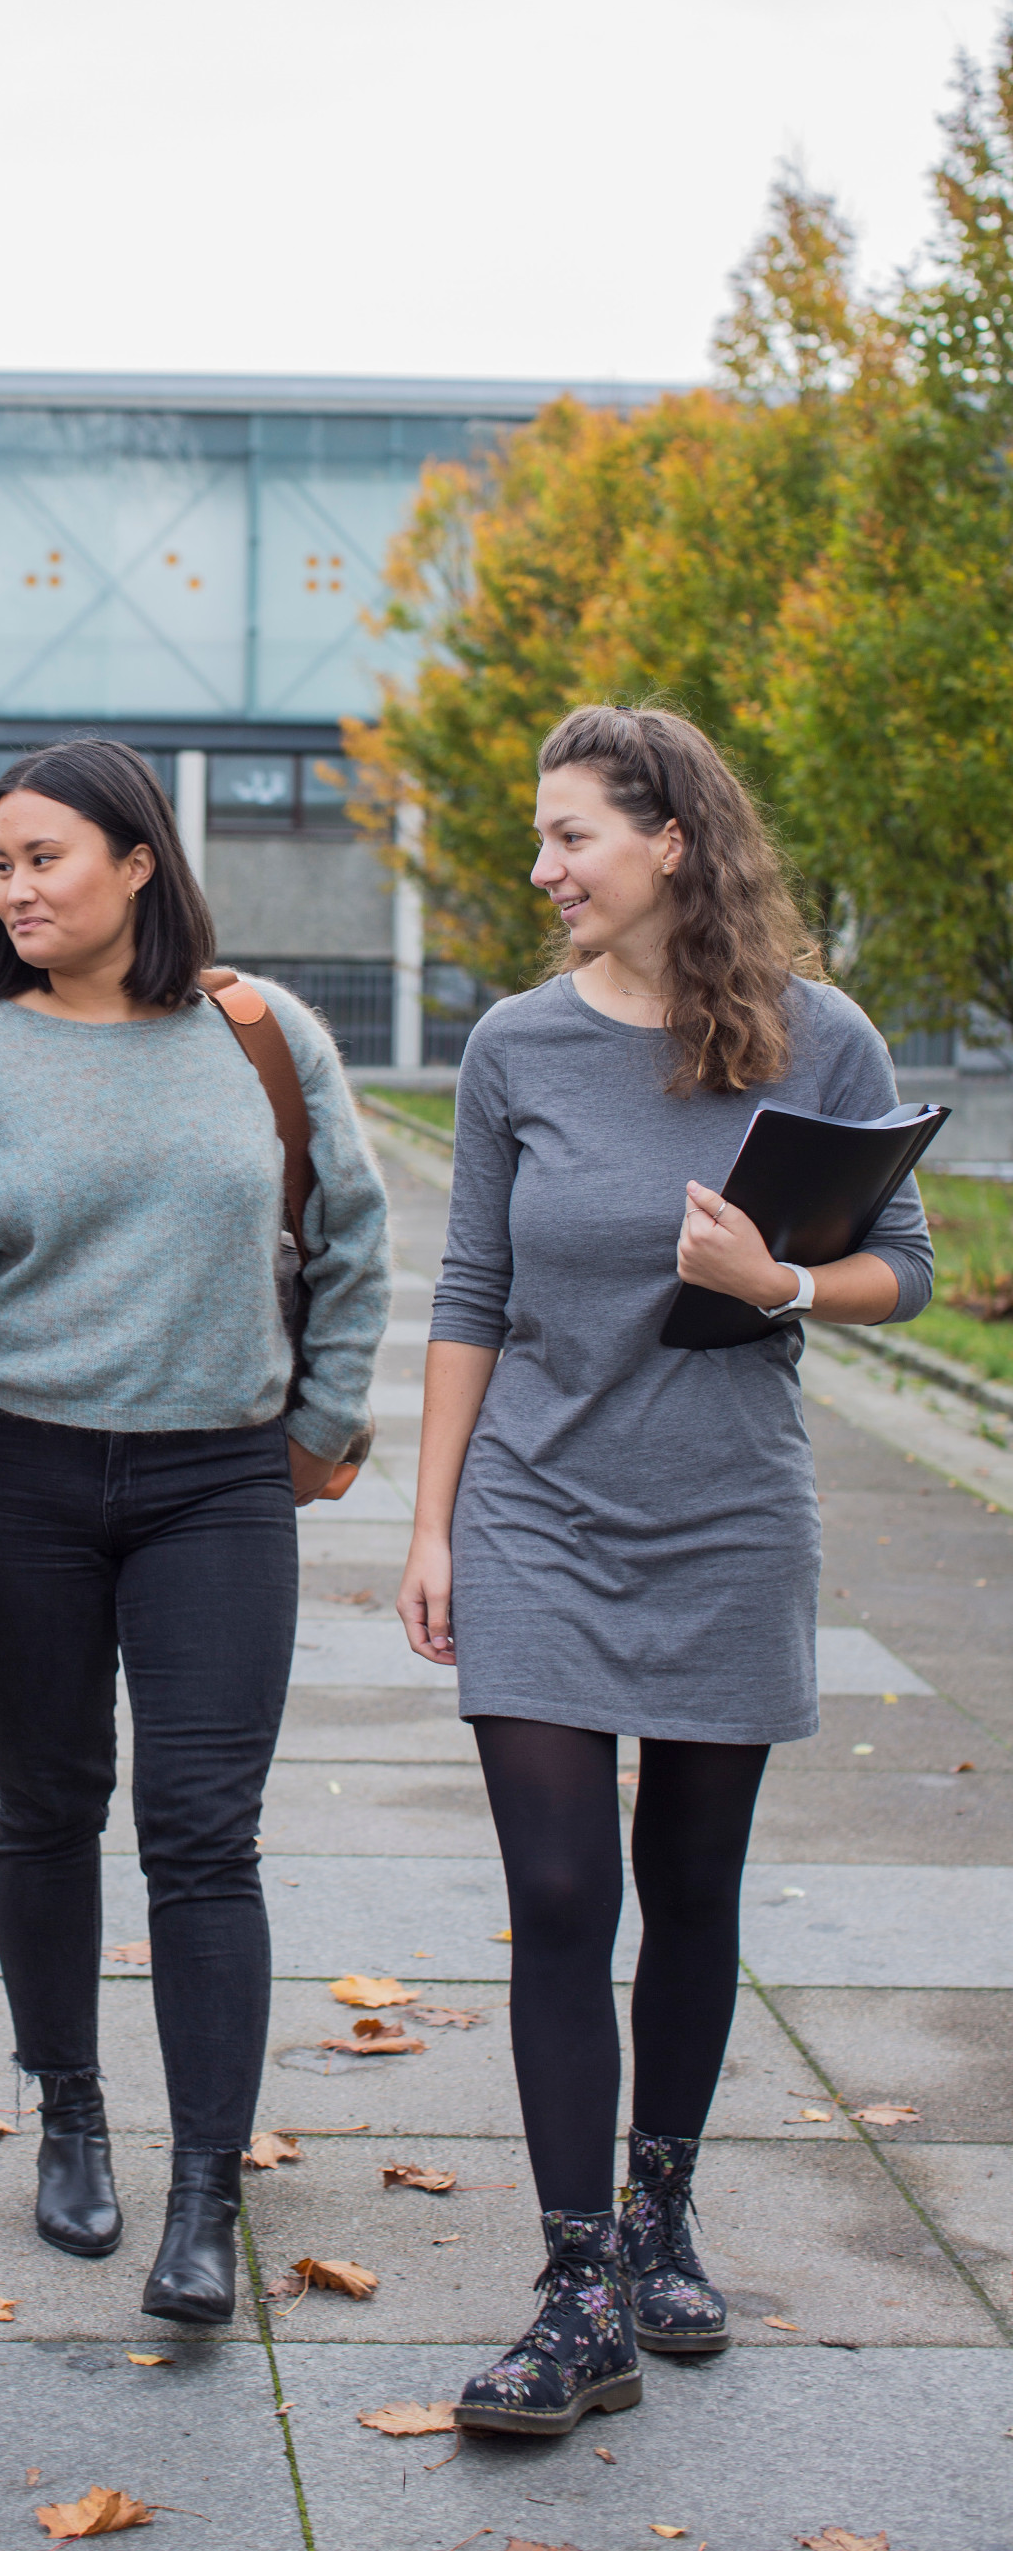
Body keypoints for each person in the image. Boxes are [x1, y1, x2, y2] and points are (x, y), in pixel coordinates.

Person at [397, 706, 935, 2440]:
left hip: (729, 1517)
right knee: (562, 1897)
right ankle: (575, 2293)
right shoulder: (512, 1050)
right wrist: (432, 1524)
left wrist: (780, 1274)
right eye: (542, 838)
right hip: (542, 1518)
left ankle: (663, 2215)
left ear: (671, 843)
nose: (544, 869)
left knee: (689, 1890)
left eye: (571, 837)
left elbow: (904, 1274)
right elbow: (473, 1291)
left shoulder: (817, 1040)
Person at [0, 740, 391, 2323]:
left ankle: (206, 2186)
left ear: (139, 862)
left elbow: (350, 1234)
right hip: (22, 1485)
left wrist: (315, 1429)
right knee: (48, 1803)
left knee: (206, 1832)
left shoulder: (261, 1031)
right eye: (0, 865)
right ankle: (69, 2112)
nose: (17, 891)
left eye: (49, 860)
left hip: (217, 1485)